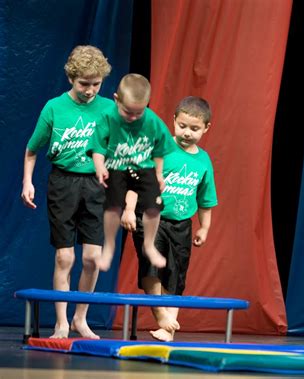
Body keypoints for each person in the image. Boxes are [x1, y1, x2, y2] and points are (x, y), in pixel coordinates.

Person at [21, 45, 113, 339]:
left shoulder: (109, 109)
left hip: (97, 186)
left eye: (96, 84)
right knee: (65, 258)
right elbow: (32, 150)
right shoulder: (54, 107)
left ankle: (80, 318)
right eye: (84, 84)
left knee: (91, 258)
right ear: (71, 79)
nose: (90, 90)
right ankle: (61, 322)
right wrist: (27, 182)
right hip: (63, 183)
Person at [121, 96, 218, 341]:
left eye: (194, 129)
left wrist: (204, 228)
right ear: (173, 121)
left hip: (182, 224)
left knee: (176, 275)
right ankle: (162, 316)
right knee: (151, 267)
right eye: (182, 126)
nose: (187, 133)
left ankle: (168, 329)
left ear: (206, 128)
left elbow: (206, 199)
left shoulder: (203, 161)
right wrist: (130, 209)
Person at [91, 73, 175, 272]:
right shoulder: (108, 117)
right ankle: (109, 246)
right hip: (117, 166)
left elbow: (159, 150)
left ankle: (149, 244)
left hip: (143, 167)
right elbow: (97, 146)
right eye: (128, 112)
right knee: (113, 207)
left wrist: (159, 174)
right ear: (116, 99)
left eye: (139, 113)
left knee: (154, 205)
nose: (133, 117)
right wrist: (100, 166)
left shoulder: (152, 121)